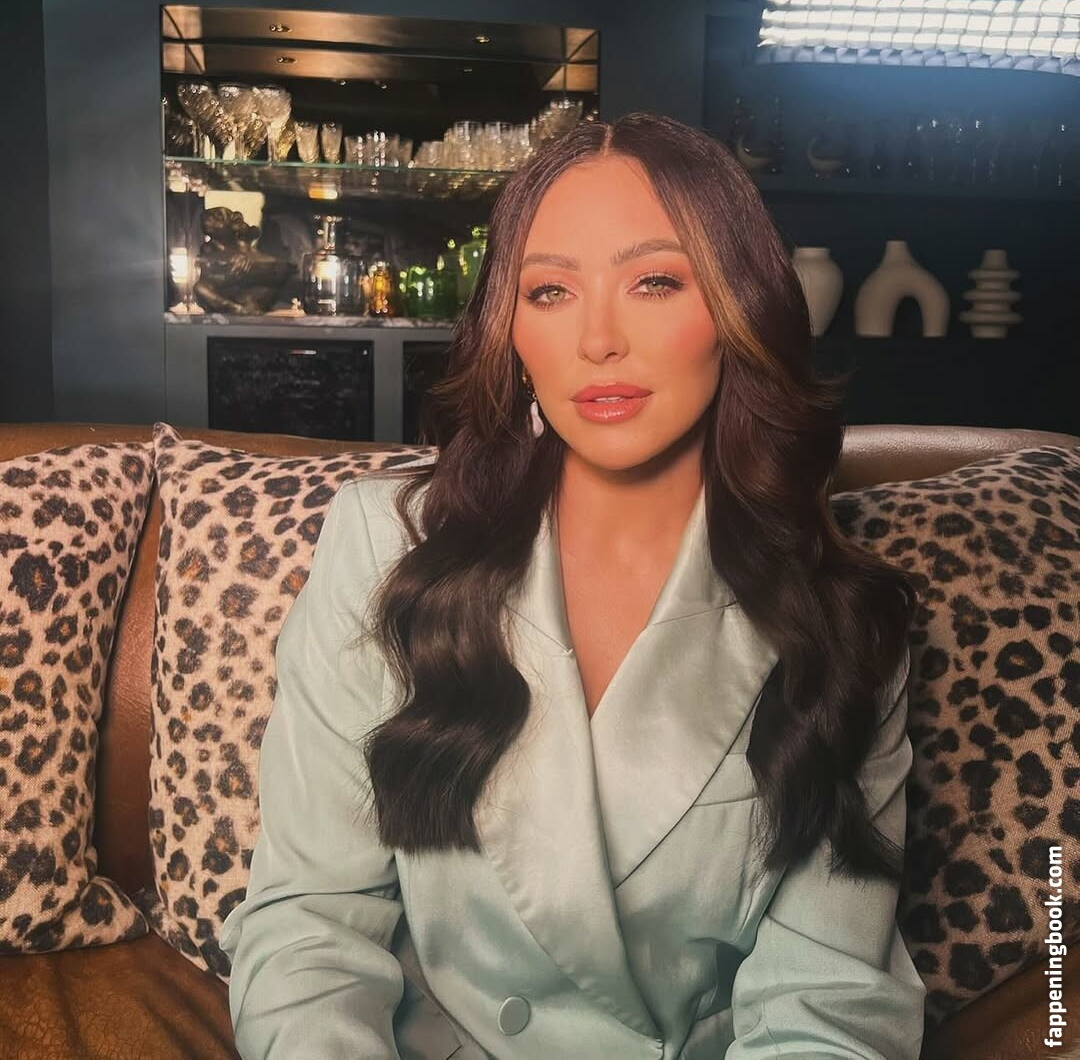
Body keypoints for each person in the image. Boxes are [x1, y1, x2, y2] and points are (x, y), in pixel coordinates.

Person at [220, 110, 927, 1059]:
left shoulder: (840, 615)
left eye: (654, 282)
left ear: (739, 308)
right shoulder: (385, 543)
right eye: (550, 291)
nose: (598, 340)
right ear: (510, 332)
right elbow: (311, 926)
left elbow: (827, 999)